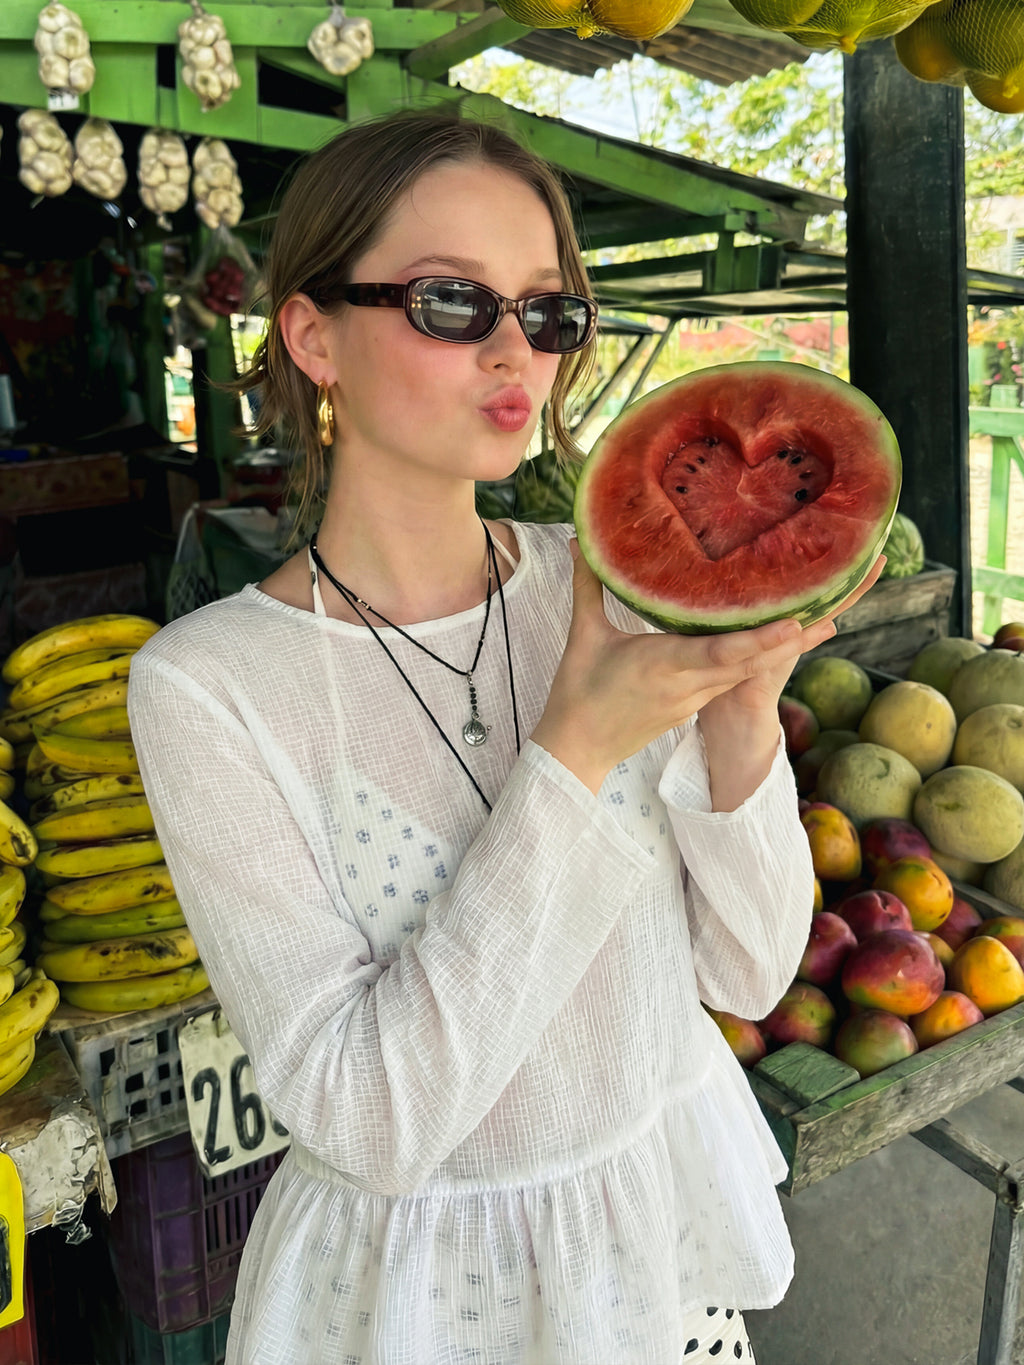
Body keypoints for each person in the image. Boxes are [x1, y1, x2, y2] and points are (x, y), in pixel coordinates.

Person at [128, 107, 883, 1365]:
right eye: (451, 302)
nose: (513, 350)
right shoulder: (206, 690)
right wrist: (572, 756)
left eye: (546, 310)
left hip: (655, 1260)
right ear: (313, 337)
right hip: (418, 1298)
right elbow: (368, 1122)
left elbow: (749, 974)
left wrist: (745, 705)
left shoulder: (609, 586)